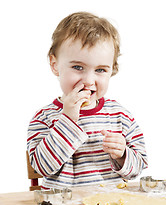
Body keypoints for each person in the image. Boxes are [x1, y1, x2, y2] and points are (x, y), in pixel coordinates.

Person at [27, 11, 148, 189]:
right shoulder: (44, 117)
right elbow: (42, 167)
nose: (89, 81)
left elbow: (138, 167)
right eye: (78, 67)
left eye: (100, 70)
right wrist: (67, 120)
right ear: (55, 65)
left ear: (111, 70)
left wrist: (122, 154)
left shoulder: (120, 116)